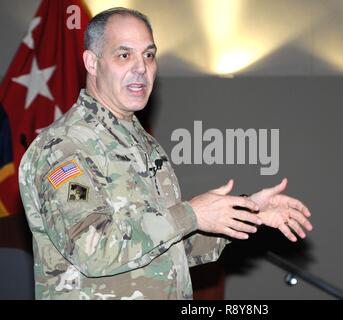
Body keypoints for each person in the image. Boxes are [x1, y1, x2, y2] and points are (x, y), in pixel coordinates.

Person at [19, 7, 313, 300]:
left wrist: (248, 212)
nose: (141, 68)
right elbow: (92, 249)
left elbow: (170, 246)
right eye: (124, 55)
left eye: (148, 55)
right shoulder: (63, 147)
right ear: (92, 63)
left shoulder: (144, 145)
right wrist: (190, 214)